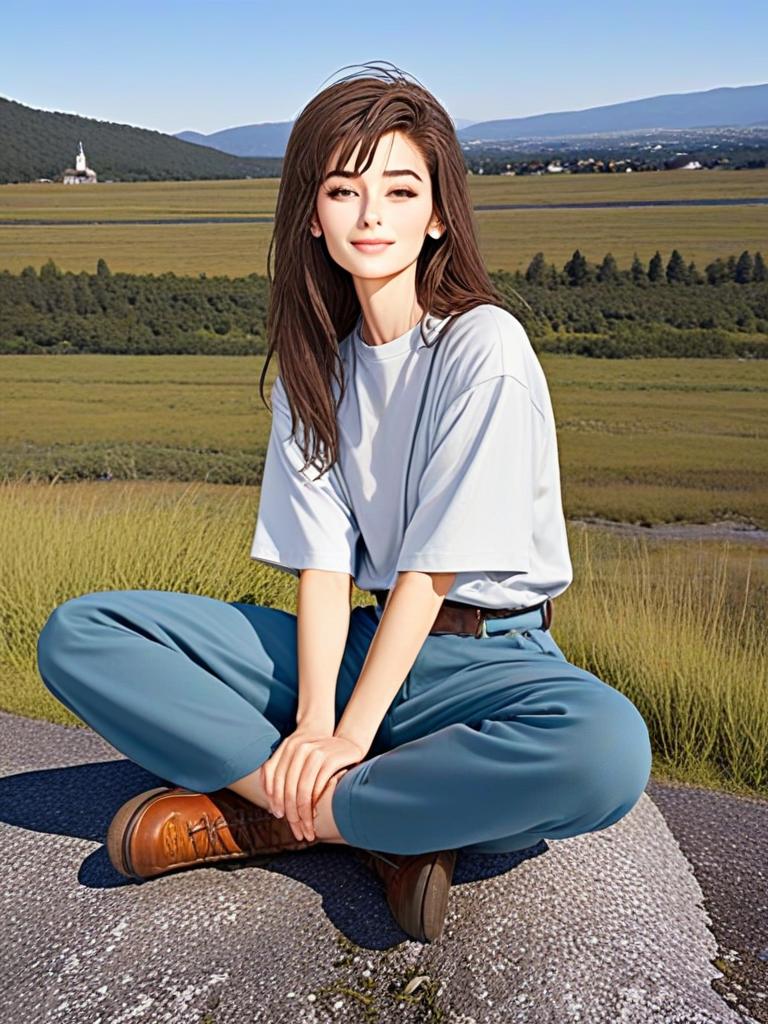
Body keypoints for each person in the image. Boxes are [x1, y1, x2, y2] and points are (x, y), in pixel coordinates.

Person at [36, 62, 652, 944]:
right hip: (360, 640)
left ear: (438, 213)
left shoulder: (485, 346)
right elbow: (323, 568)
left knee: (606, 753)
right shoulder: (317, 363)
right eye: (342, 190)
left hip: (485, 660)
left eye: (400, 191)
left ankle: (272, 814)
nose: (371, 217)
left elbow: (433, 572)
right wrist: (319, 721)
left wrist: (350, 735)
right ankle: (387, 823)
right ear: (312, 215)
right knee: (82, 636)